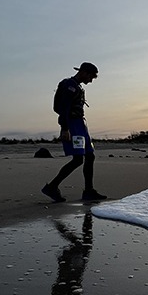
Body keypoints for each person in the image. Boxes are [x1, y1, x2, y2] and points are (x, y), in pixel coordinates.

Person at [42, 62, 107, 202]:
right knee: (78, 159)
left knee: (90, 156)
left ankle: (89, 191)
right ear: (84, 72)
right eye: (91, 77)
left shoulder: (78, 87)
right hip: (73, 125)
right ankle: (52, 187)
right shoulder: (69, 85)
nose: (91, 80)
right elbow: (63, 108)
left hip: (81, 125)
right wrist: (65, 128)